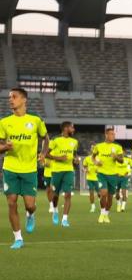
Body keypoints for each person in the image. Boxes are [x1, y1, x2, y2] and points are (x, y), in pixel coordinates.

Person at [0, 88, 49, 249]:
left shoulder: (35, 120)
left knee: (29, 204)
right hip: (10, 168)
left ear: (24, 100)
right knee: (12, 203)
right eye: (9, 97)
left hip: (29, 169)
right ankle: (18, 238)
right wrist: (5, 147)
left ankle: (31, 214)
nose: (10, 100)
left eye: (14, 97)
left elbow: (46, 138)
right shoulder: (4, 122)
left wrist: (43, 153)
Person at [47, 121, 79, 227]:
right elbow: (46, 154)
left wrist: (75, 160)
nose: (73, 130)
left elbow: (74, 155)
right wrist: (59, 158)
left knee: (68, 194)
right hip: (57, 170)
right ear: (66, 128)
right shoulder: (55, 140)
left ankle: (65, 219)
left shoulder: (74, 142)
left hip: (69, 170)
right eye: (72, 128)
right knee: (55, 195)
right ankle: (55, 210)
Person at [92, 127, 124, 223]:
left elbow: (122, 160)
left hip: (113, 175)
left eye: (114, 134)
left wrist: (116, 157)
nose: (113, 136)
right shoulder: (99, 146)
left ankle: (106, 214)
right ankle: (102, 213)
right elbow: (93, 157)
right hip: (102, 173)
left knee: (110, 197)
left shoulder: (118, 147)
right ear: (106, 135)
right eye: (111, 134)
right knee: (103, 193)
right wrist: (96, 163)